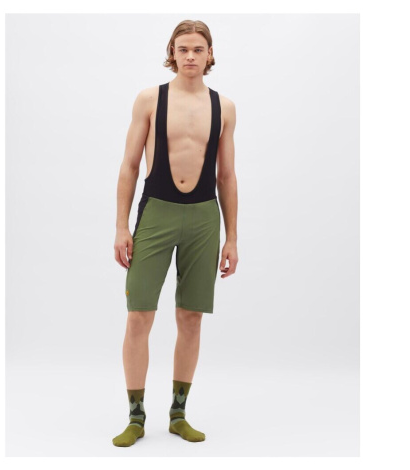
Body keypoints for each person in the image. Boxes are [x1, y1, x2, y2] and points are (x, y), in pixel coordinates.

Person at [112, 19, 238, 447]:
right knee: (139, 315)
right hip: (157, 213)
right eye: (182, 49)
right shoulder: (150, 99)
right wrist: (121, 226)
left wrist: (232, 237)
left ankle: (178, 414)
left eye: (198, 49)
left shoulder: (224, 107)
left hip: (204, 217)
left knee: (190, 317)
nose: (190, 56)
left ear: (209, 54)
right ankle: (135, 417)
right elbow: (130, 166)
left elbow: (227, 176)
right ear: (172, 52)